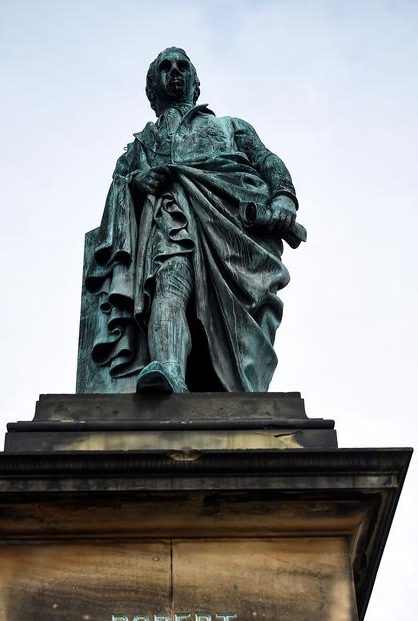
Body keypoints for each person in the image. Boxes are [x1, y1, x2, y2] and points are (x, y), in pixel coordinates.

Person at [85, 47, 302, 393]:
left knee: (249, 314)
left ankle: (237, 382)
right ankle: (168, 369)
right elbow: (119, 197)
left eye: (182, 67)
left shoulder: (230, 127)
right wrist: (137, 184)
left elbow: (267, 161)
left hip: (235, 230)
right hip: (171, 217)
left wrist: (283, 198)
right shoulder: (142, 146)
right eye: (165, 68)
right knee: (167, 285)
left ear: (196, 83)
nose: (175, 72)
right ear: (153, 89)